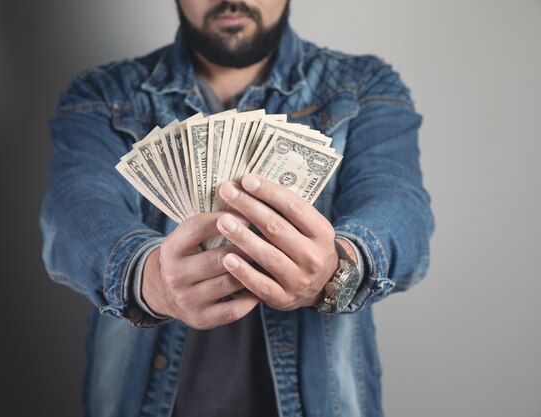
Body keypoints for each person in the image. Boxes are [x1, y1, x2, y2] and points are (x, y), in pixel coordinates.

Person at [40, 1, 434, 416]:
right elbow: (74, 208)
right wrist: (148, 278)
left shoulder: (365, 85)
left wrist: (340, 265)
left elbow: (398, 202)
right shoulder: (102, 94)